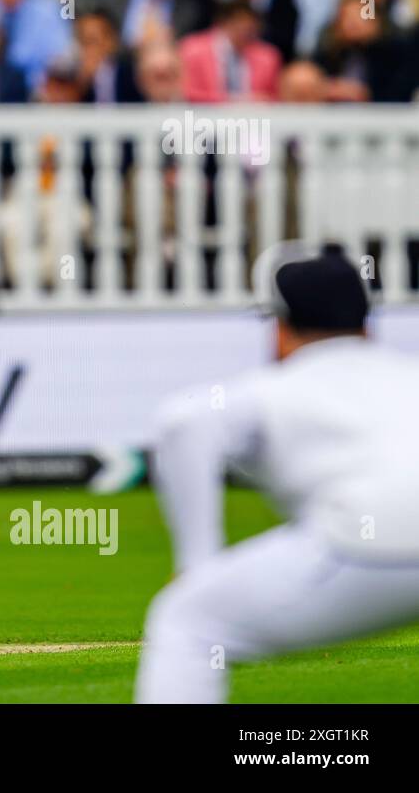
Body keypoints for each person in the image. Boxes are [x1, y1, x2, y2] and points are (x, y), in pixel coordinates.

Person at [137, 246, 419, 703]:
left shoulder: (273, 388)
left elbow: (182, 424)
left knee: (187, 621)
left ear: (280, 329)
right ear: (367, 326)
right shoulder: (408, 375)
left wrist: (196, 565)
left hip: (364, 543)